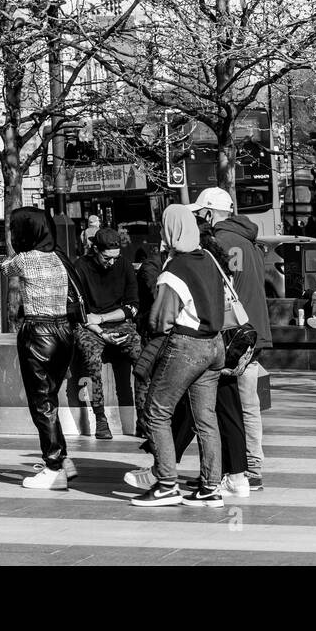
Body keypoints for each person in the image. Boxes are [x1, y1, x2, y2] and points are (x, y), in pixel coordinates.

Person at [129, 204, 228, 508]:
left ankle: (166, 484)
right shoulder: (210, 259)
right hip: (215, 345)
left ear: (171, 230)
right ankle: (211, 487)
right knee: (206, 419)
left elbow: (161, 319)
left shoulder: (174, 269)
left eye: (164, 226)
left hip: (187, 346)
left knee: (156, 412)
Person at [188, 187, 270, 492]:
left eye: (200, 213)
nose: (199, 219)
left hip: (231, 335)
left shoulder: (217, 243)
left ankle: (244, 470)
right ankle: (250, 467)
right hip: (253, 332)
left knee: (233, 406)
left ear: (209, 213)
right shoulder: (250, 242)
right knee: (248, 404)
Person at [0, 207, 79, 490]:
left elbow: (2, 270)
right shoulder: (59, 258)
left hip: (38, 333)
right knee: (51, 399)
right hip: (64, 333)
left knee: (41, 404)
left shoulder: (23, 260)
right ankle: (64, 460)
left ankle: (53, 466)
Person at [72, 226, 142, 441]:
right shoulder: (81, 267)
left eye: (115, 257)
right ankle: (100, 417)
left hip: (115, 322)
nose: (111, 262)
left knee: (141, 356)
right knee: (91, 358)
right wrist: (101, 332)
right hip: (90, 327)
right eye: (106, 258)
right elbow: (78, 312)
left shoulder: (123, 264)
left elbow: (133, 306)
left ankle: (144, 416)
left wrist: (104, 319)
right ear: (95, 250)